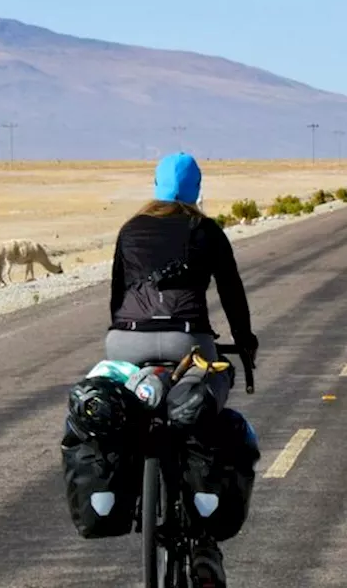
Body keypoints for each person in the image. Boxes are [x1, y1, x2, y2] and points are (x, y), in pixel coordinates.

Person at [105, 151, 258, 586]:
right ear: (197, 189)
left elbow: (117, 296)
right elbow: (232, 295)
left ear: (154, 185)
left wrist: (125, 337)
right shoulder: (205, 230)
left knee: (130, 407)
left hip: (124, 339)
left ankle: (135, 482)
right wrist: (244, 344)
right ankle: (206, 542)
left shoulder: (130, 229)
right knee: (201, 416)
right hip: (187, 341)